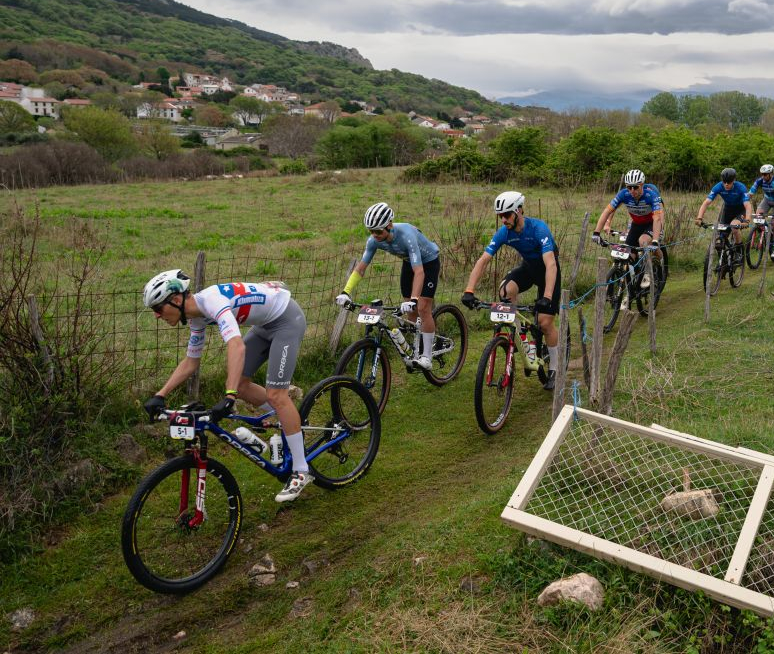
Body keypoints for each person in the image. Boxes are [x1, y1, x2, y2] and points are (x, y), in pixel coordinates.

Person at [141, 270, 312, 503]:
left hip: (286, 320)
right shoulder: (196, 317)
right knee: (242, 385)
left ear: (177, 300)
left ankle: (301, 471)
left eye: (158, 309)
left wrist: (228, 396)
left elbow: (236, 345)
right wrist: (160, 395)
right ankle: (287, 423)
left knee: (276, 394)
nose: (157, 316)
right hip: (263, 325)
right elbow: (192, 361)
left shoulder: (212, 302)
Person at [461, 191, 561, 390]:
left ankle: (555, 369)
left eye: (507, 214)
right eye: (500, 216)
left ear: (519, 211)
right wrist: (469, 290)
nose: (503, 219)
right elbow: (483, 261)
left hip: (549, 273)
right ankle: (520, 336)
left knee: (544, 322)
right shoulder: (504, 233)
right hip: (528, 269)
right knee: (506, 292)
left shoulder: (538, 229)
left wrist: (547, 297)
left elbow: (550, 264)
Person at [336, 202, 440, 370]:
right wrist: (345, 292)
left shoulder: (406, 235)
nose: (374, 235)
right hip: (409, 263)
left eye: (378, 231)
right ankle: (417, 347)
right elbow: (361, 268)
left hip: (428, 263)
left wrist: (414, 299)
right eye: (371, 231)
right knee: (410, 312)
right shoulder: (373, 241)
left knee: (422, 307)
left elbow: (419, 272)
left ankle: (427, 356)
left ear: (389, 225)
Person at [592, 169, 664, 255]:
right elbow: (608, 210)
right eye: (629, 187)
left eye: (635, 187)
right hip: (637, 224)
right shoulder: (624, 194)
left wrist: (655, 241)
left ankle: (661, 262)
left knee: (643, 241)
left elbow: (657, 218)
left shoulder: (651, 195)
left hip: (651, 224)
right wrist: (596, 232)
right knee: (628, 253)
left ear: (642, 185)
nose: (632, 191)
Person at [694, 167, 752, 254]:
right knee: (721, 234)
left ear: (734, 180)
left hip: (740, 210)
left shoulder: (741, 187)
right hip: (727, 210)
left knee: (734, 227)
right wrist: (699, 218)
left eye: (729, 182)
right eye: (724, 181)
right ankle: (723, 260)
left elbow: (747, 205)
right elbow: (706, 203)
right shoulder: (718, 187)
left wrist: (747, 220)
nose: (726, 184)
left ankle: (739, 250)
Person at [743, 163, 774, 259]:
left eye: (765, 174)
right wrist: (743, 200)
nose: (763, 176)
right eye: (762, 174)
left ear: (771, 174)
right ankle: (763, 233)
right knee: (758, 217)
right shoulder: (760, 181)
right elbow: (750, 193)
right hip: (767, 200)